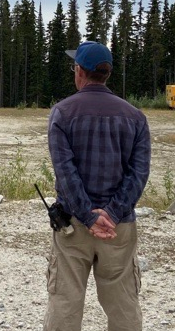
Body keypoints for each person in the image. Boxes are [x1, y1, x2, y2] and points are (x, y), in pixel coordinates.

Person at [44, 41, 151, 331]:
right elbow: (139, 173)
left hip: (73, 226)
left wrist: (90, 217)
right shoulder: (136, 117)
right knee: (123, 304)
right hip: (119, 228)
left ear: (80, 71)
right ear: (107, 73)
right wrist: (112, 214)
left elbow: (65, 172)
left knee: (65, 302)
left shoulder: (62, 113)